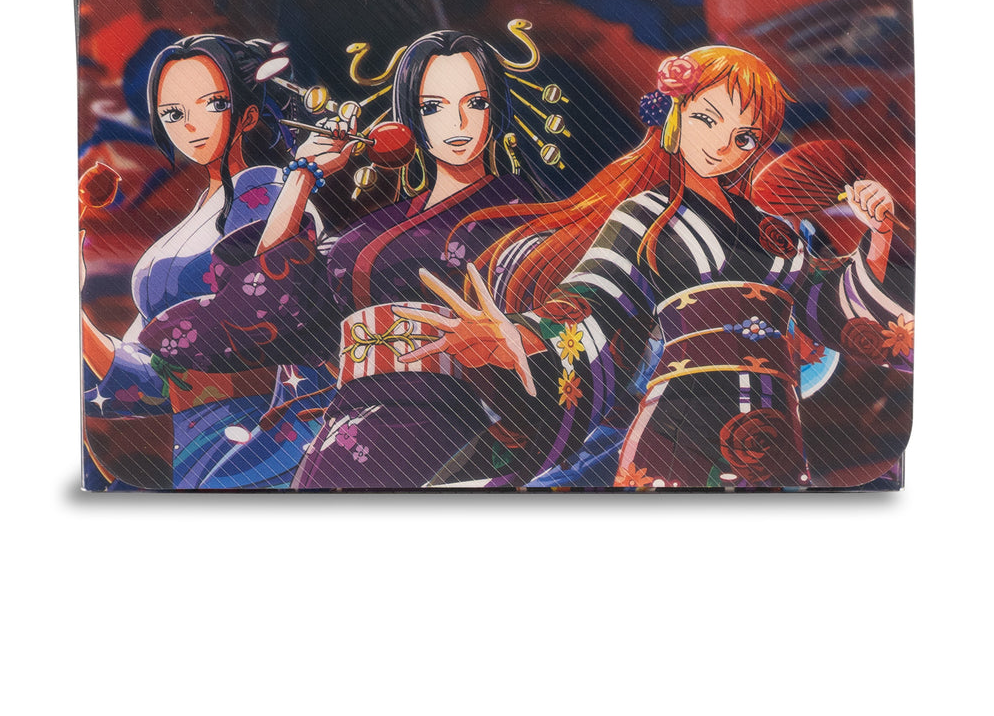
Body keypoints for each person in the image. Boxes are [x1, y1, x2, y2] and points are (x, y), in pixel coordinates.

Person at [396, 45, 913, 488]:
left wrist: (879, 235)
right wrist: (523, 336)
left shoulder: (771, 232)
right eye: (707, 119)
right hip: (680, 414)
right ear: (675, 116)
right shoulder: (645, 215)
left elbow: (831, 302)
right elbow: (593, 299)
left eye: (745, 137)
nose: (722, 145)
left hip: (772, 423)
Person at [140, 30, 556, 487]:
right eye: (432, 107)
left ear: (497, 109)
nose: (457, 123)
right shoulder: (374, 229)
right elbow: (270, 293)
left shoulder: (528, 218)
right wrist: (302, 177)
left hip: (448, 414)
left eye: (475, 103)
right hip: (351, 413)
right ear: (409, 117)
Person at [81, 34, 328, 489]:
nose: (190, 124)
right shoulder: (190, 223)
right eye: (173, 114)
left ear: (247, 114)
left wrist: (299, 184)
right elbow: (149, 377)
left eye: (212, 104)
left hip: (269, 429)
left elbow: (259, 305)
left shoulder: (269, 194)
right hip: (195, 437)